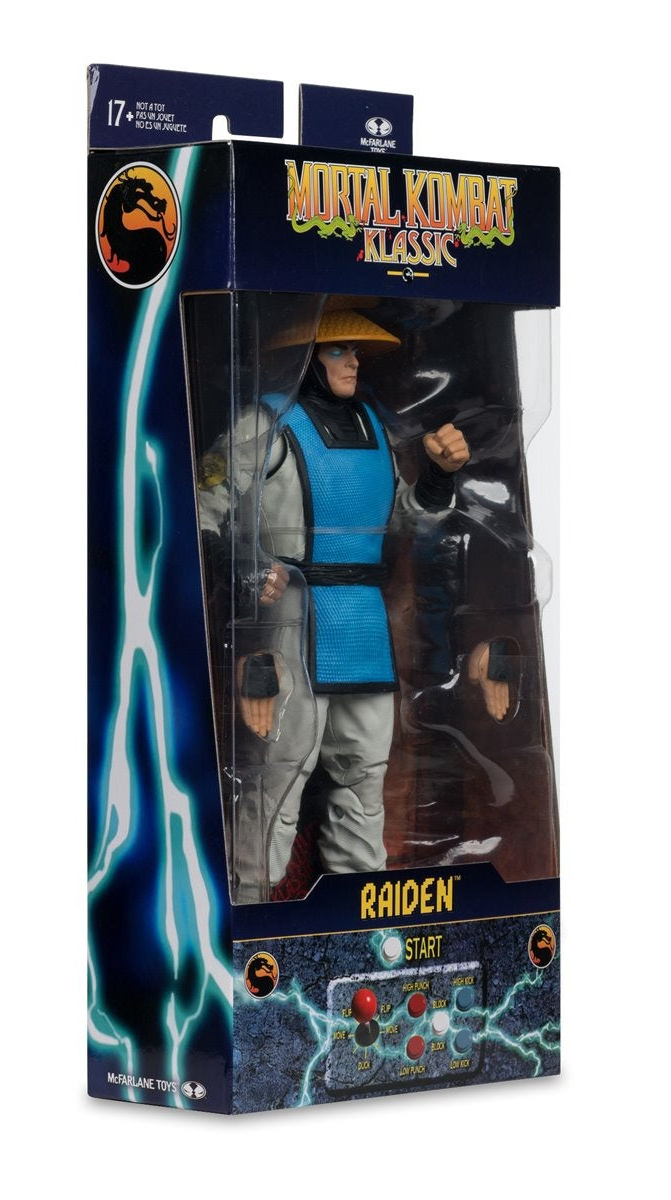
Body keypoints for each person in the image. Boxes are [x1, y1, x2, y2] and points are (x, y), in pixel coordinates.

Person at [198, 307, 470, 902]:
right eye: (338, 350)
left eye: (355, 352)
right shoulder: (264, 424)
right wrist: (243, 567)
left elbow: (405, 519)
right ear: (305, 358)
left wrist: (437, 476)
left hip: (365, 622)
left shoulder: (374, 425)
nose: (353, 362)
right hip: (292, 617)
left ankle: (357, 907)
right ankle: (249, 906)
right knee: (278, 774)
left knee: (365, 779)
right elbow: (202, 507)